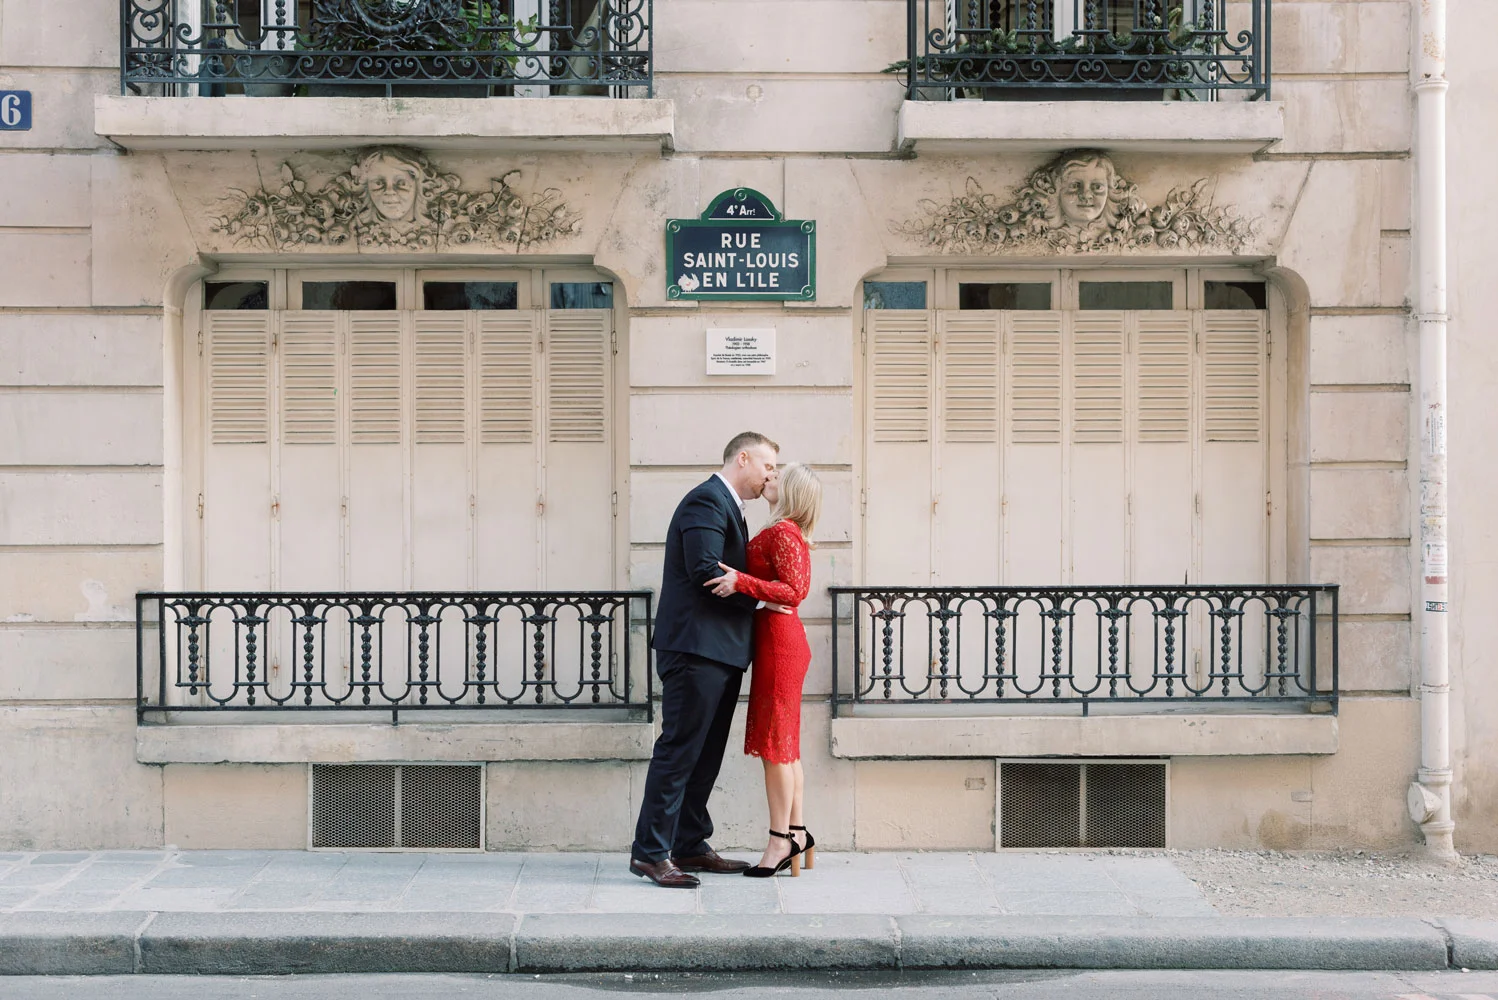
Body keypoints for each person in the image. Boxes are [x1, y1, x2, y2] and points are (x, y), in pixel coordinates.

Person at [629, 431, 782, 888]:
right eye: (769, 466)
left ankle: (690, 843)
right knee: (679, 752)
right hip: (696, 650)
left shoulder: (728, 506)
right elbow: (705, 570)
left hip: (719, 652)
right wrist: (761, 598)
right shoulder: (706, 501)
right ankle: (650, 853)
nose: (771, 475)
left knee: (706, 755)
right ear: (743, 458)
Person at [705, 463, 822, 877]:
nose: (768, 478)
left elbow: (796, 592)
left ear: (789, 491)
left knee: (776, 747)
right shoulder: (787, 532)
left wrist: (742, 582)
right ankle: (799, 833)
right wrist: (758, 596)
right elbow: (786, 592)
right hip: (778, 637)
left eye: (777, 477)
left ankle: (779, 841)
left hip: (780, 643)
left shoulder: (784, 532)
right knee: (785, 746)